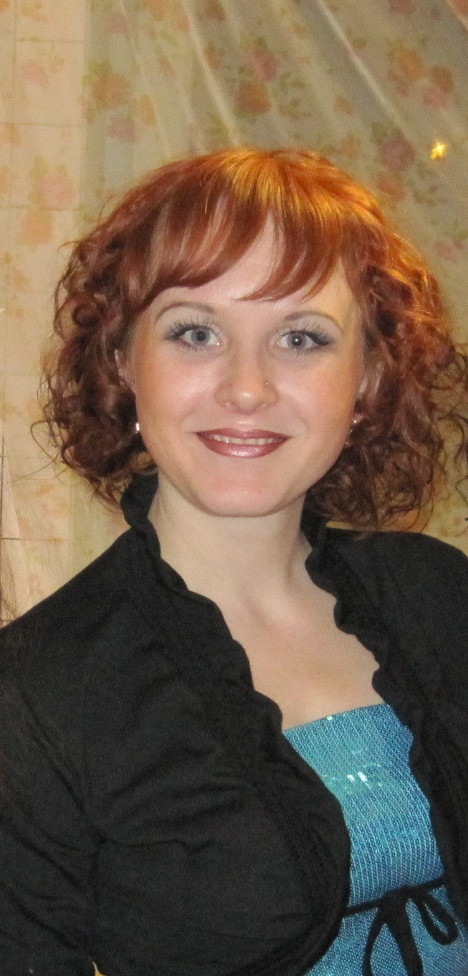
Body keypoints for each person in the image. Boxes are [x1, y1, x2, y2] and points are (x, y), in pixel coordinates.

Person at [0, 148, 467, 976]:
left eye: (300, 337)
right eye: (196, 332)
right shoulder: (36, 692)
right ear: (122, 359)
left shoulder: (440, 592)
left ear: (366, 380)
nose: (247, 388)